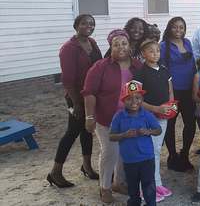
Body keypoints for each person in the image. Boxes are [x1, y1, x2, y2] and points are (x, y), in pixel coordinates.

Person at [82, 29, 143, 203]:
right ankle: (105, 187)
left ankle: (118, 182)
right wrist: (89, 117)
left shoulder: (137, 66)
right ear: (111, 47)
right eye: (116, 44)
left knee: (124, 152)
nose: (121, 47)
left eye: (124, 43)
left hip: (131, 117)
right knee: (110, 152)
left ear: (129, 45)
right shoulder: (100, 67)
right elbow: (89, 93)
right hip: (107, 118)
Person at [48, 14, 102, 188]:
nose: (89, 26)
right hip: (76, 97)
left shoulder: (92, 43)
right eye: (84, 23)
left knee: (87, 130)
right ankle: (55, 172)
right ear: (76, 25)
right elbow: (67, 80)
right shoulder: (69, 48)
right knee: (72, 132)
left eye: (92, 23)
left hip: (91, 95)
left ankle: (86, 166)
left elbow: (100, 64)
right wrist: (77, 103)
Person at [133, 39, 175, 202]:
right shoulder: (140, 73)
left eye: (157, 50)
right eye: (151, 51)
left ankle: (156, 183)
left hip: (162, 117)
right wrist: (155, 109)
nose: (155, 54)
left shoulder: (164, 70)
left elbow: (170, 91)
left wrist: (170, 106)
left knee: (156, 150)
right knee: (146, 152)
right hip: (146, 117)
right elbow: (136, 100)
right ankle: (144, 188)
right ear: (143, 54)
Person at [109, 81, 162, 206]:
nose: (134, 102)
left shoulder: (147, 115)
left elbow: (158, 130)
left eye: (137, 98)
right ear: (123, 100)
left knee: (148, 185)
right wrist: (124, 135)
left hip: (147, 158)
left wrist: (148, 131)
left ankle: (151, 204)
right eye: (129, 98)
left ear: (142, 99)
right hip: (129, 160)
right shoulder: (119, 117)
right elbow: (111, 136)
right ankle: (134, 203)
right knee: (132, 187)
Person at [160, 17, 197, 172]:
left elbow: (193, 64)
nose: (178, 30)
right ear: (169, 28)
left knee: (190, 123)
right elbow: (161, 69)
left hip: (189, 90)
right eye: (175, 27)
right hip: (172, 91)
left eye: (181, 27)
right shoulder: (163, 46)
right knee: (170, 124)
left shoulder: (187, 42)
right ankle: (172, 156)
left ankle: (185, 154)